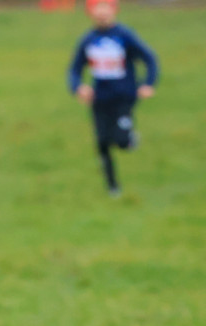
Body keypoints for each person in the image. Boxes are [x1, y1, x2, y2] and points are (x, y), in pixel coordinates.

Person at [67, 0, 158, 196]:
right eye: (97, 9)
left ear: (113, 10)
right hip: (100, 99)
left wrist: (148, 83)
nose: (101, 13)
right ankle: (112, 186)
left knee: (121, 140)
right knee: (102, 142)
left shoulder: (125, 36)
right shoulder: (88, 40)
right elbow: (74, 69)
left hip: (124, 96)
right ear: (90, 13)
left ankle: (129, 139)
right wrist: (78, 87)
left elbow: (150, 58)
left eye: (105, 8)